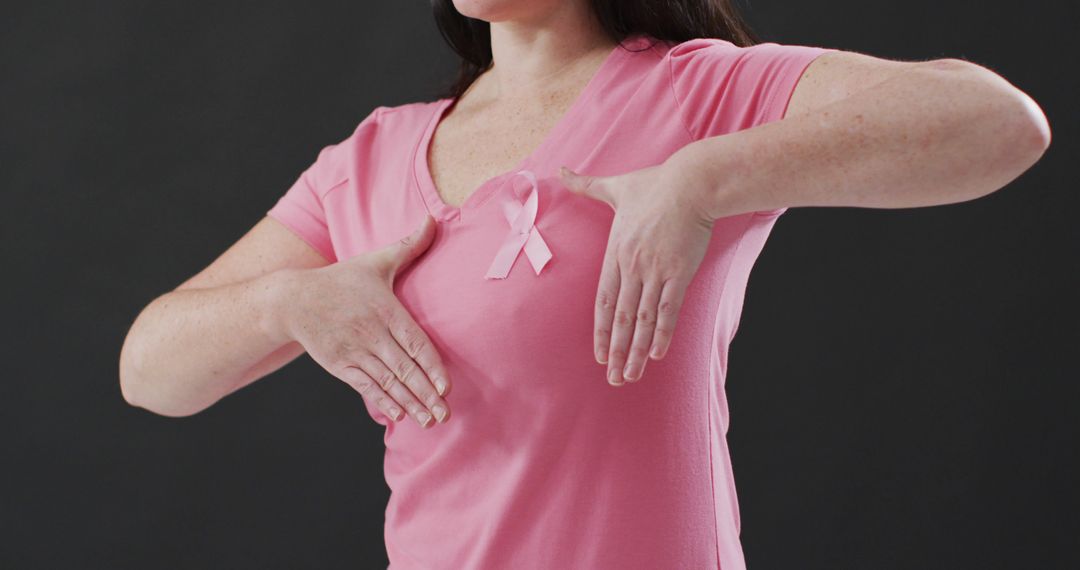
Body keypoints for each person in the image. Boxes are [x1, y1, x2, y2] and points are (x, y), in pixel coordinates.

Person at [118, 0, 1051, 568]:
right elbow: (152, 370)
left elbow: (997, 121)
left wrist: (701, 178)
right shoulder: (369, 159)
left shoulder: (699, 96)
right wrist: (289, 301)